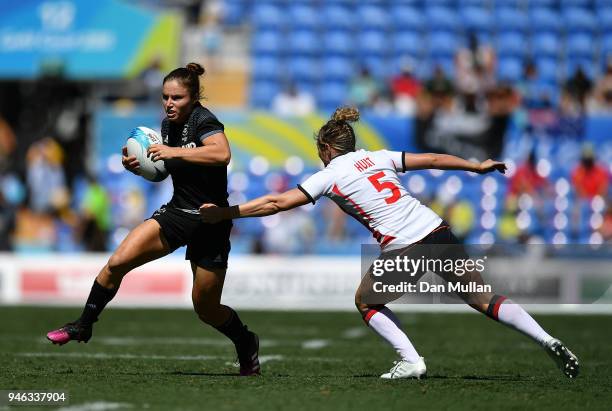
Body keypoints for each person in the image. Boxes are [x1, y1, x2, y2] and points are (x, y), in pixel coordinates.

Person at [199, 107, 580, 380]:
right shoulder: (378, 157)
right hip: (437, 230)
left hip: (406, 246)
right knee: (483, 298)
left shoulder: (329, 174)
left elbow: (277, 202)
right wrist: (475, 166)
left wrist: (226, 213)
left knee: (366, 300)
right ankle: (546, 338)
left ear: (327, 149)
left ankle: (411, 359)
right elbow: (431, 158)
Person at [46, 63, 261, 376]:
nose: (169, 103)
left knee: (206, 308)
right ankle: (83, 325)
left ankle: (245, 340)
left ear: (194, 98)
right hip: (176, 214)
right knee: (117, 262)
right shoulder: (167, 125)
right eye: (165, 97)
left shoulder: (205, 120)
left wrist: (173, 152)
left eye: (177, 98)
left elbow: (221, 154)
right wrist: (141, 166)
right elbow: (166, 172)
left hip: (211, 220)